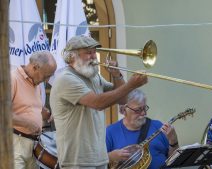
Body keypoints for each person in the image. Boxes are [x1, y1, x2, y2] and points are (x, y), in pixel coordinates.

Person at [50, 35, 148, 169]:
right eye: (88, 53)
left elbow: (122, 99)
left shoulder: (94, 76)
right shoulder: (66, 79)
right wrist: (131, 85)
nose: (94, 56)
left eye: (94, 52)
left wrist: (117, 75)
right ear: (72, 57)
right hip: (77, 159)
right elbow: (98, 103)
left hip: (99, 157)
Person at [106, 89, 179, 169]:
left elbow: (173, 161)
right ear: (124, 110)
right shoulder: (110, 132)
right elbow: (96, 162)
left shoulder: (158, 126)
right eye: (138, 110)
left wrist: (173, 142)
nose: (144, 113)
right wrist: (110, 157)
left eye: (145, 108)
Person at [11, 51, 57, 169]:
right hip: (15, 144)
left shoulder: (36, 84)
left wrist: (45, 113)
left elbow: (31, 107)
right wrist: (27, 122)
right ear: (35, 67)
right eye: (46, 75)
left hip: (34, 146)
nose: (47, 80)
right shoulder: (13, 78)